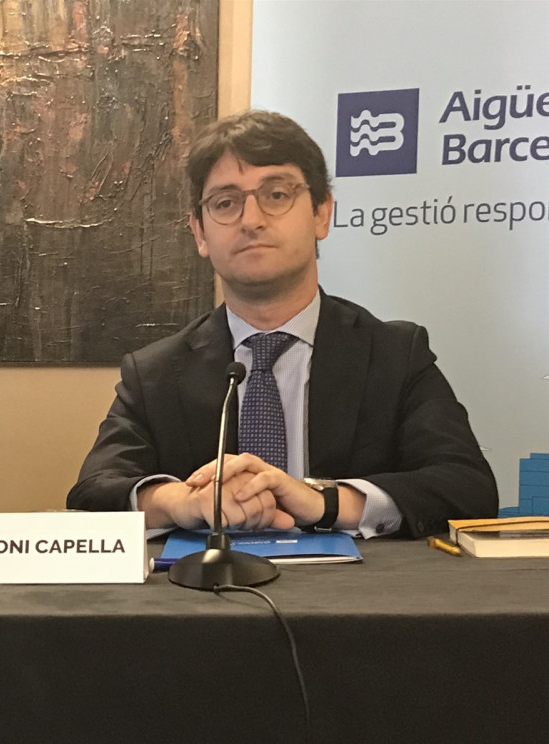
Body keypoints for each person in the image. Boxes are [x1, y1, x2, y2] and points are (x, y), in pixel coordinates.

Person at [67, 110, 496, 538]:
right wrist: (182, 501)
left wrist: (325, 501)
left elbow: (468, 488)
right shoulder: (155, 374)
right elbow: (93, 493)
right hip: (208, 580)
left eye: (276, 195)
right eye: (225, 203)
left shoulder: (394, 355)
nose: (251, 220)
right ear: (199, 233)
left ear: (321, 213)